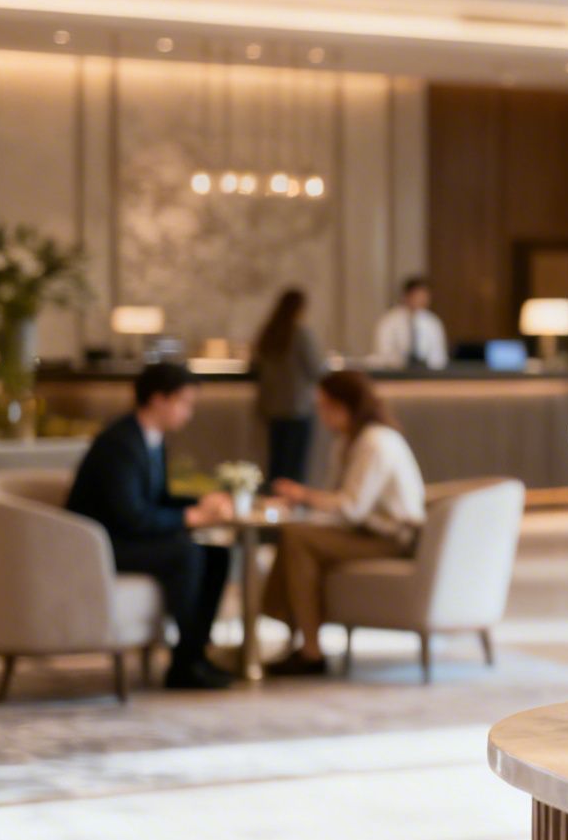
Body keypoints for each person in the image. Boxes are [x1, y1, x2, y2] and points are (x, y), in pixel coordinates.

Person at [65, 362, 237, 690]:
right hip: (99, 545)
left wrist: (199, 505)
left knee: (217, 555)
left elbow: (158, 499)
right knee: (185, 554)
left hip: (125, 538)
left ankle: (196, 654)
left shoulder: (151, 440)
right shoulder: (120, 443)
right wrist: (191, 518)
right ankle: (184, 664)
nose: (189, 413)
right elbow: (131, 515)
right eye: (185, 402)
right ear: (159, 399)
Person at [263, 371, 426, 675]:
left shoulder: (375, 442)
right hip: (363, 532)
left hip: (390, 538)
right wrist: (303, 507)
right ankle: (303, 640)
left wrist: (304, 496)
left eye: (324, 406)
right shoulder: (348, 441)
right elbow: (339, 502)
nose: (321, 414)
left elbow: (351, 507)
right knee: (296, 535)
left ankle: (309, 648)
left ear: (343, 405)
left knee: (298, 539)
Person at [251, 287, 325, 486]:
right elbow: (316, 369)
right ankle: (291, 510)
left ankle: (273, 505)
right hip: (297, 408)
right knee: (295, 467)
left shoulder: (269, 331)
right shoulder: (300, 333)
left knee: (277, 464)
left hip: (271, 408)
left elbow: (255, 366)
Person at [371, 276, 448, 370]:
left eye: (424, 296)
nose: (421, 300)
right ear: (406, 296)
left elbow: (439, 356)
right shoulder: (389, 321)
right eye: (417, 296)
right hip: (396, 373)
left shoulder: (433, 322)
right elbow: (382, 353)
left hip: (427, 374)